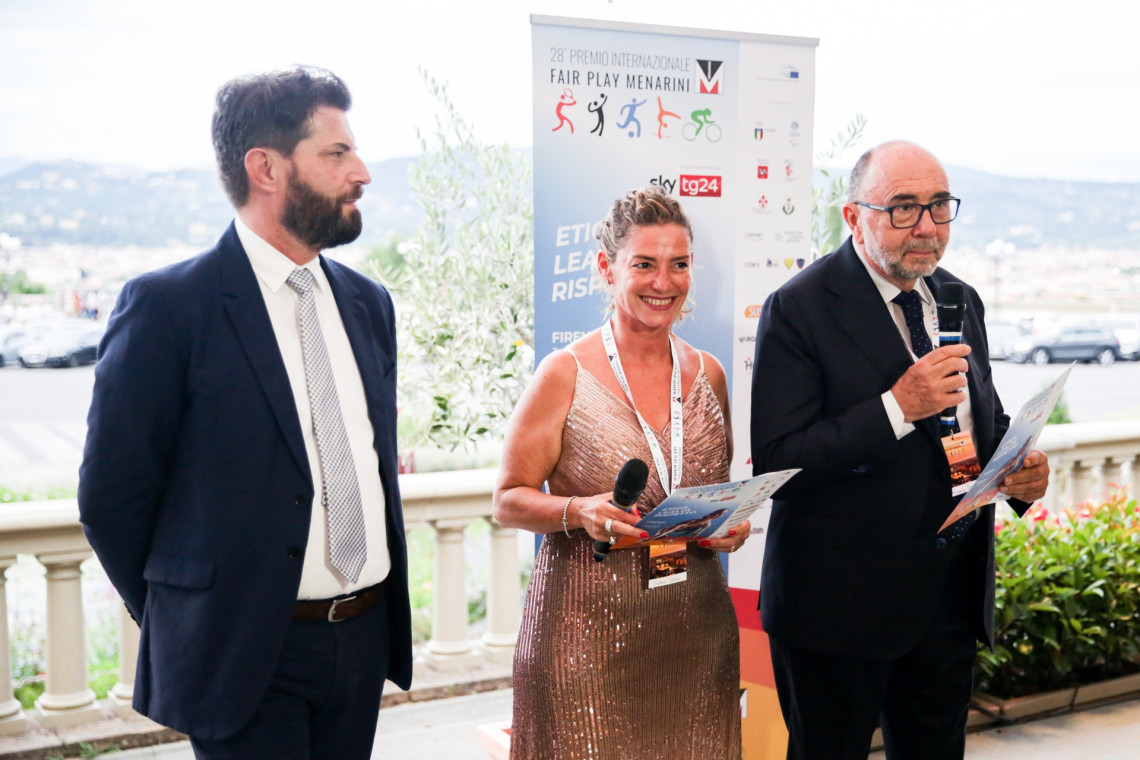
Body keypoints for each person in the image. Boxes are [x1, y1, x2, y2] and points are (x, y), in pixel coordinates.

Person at [78, 66, 412, 759]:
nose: (362, 173)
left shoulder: (368, 304)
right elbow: (112, 498)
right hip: (244, 656)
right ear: (266, 168)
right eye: (337, 153)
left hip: (362, 638)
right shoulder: (169, 308)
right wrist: (195, 615)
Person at [750, 140, 1050, 760]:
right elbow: (779, 460)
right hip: (838, 610)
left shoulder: (960, 298)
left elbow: (979, 420)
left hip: (948, 600)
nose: (927, 227)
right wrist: (896, 408)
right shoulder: (799, 307)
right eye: (903, 208)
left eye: (940, 206)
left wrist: (1018, 471)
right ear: (853, 217)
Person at [493, 187, 749, 759]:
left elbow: (713, 492)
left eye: (679, 264)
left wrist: (730, 527)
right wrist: (579, 510)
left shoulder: (709, 373)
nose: (664, 282)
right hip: (586, 643)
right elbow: (506, 499)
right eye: (644, 264)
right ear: (607, 268)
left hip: (697, 636)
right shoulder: (564, 373)